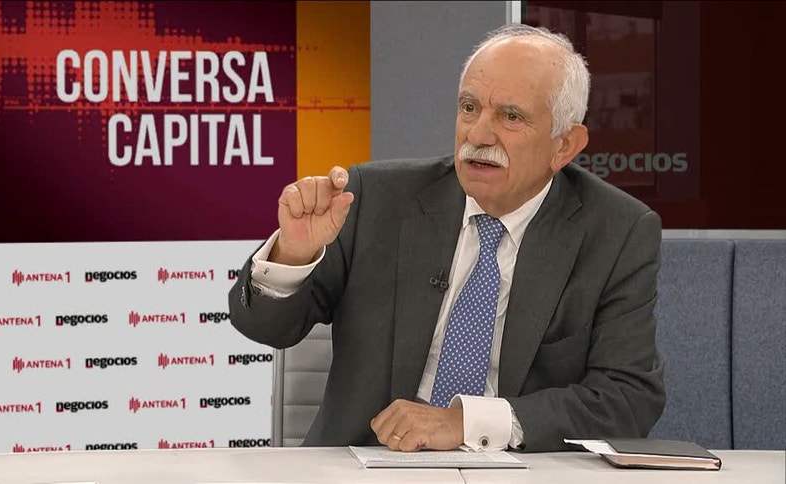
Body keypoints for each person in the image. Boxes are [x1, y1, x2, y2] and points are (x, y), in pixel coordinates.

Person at [228, 23, 665, 453]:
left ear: (564, 146)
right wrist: (294, 253)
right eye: (469, 108)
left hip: (519, 469)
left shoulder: (617, 232)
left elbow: (627, 399)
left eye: (510, 116)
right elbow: (265, 327)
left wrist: (467, 422)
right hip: (366, 463)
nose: (478, 135)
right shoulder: (376, 199)